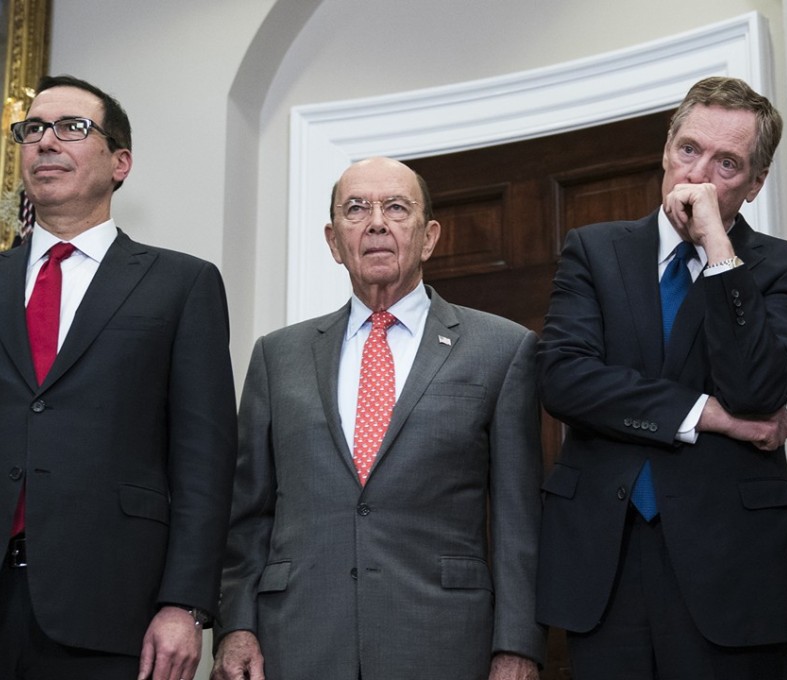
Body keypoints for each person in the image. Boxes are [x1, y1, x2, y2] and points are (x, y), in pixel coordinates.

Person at [536, 76, 787, 679]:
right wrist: (709, 415)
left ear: (756, 182)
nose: (698, 175)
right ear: (666, 149)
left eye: (727, 163)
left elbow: (755, 391)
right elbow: (565, 379)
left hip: (735, 570)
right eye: (689, 150)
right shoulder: (593, 251)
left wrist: (718, 248)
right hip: (606, 564)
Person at [212, 156, 546, 680]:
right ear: (333, 240)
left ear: (429, 236)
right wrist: (236, 626)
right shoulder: (278, 356)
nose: (375, 223)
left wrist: (518, 647)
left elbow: (518, 519)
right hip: (296, 639)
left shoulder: (501, 349)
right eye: (356, 209)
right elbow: (247, 514)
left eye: (396, 207)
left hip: (443, 641)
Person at [0, 75, 237, 680]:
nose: (45, 142)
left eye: (71, 128)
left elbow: (204, 461)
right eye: (33, 130)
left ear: (120, 162)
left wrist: (185, 604)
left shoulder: (181, 284)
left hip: (111, 612)